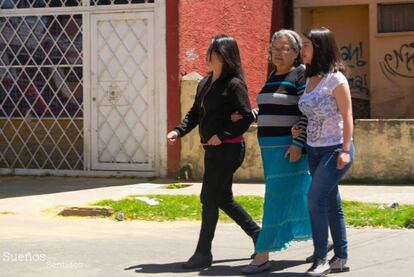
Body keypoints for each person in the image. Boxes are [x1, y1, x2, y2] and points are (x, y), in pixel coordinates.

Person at [167, 34, 261, 269]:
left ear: (224, 56)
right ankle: (258, 235)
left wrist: (223, 134)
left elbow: (246, 117)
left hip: (229, 150)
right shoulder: (205, 83)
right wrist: (178, 131)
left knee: (210, 198)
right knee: (221, 198)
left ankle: (203, 253)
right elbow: (195, 114)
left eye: (212, 52)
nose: (207, 56)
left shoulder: (234, 84)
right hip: (212, 150)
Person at [233, 29, 314, 274]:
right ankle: (323, 237)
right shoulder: (273, 74)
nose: (278, 53)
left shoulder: (300, 75)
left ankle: (263, 254)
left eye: (284, 48)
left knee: (276, 199)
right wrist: (249, 115)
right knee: (296, 198)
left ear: (297, 52)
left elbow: (306, 111)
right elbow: (268, 107)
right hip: (269, 149)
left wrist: (298, 145)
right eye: (274, 48)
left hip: (288, 149)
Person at [298, 27, 355, 276]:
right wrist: (296, 129)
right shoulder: (309, 78)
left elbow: (348, 115)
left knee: (315, 198)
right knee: (330, 201)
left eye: (306, 45)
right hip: (314, 150)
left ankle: (320, 258)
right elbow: (310, 114)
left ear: (319, 48)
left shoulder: (336, 79)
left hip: (334, 149)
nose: (302, 50)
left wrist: (345, 149)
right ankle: (340, 257)